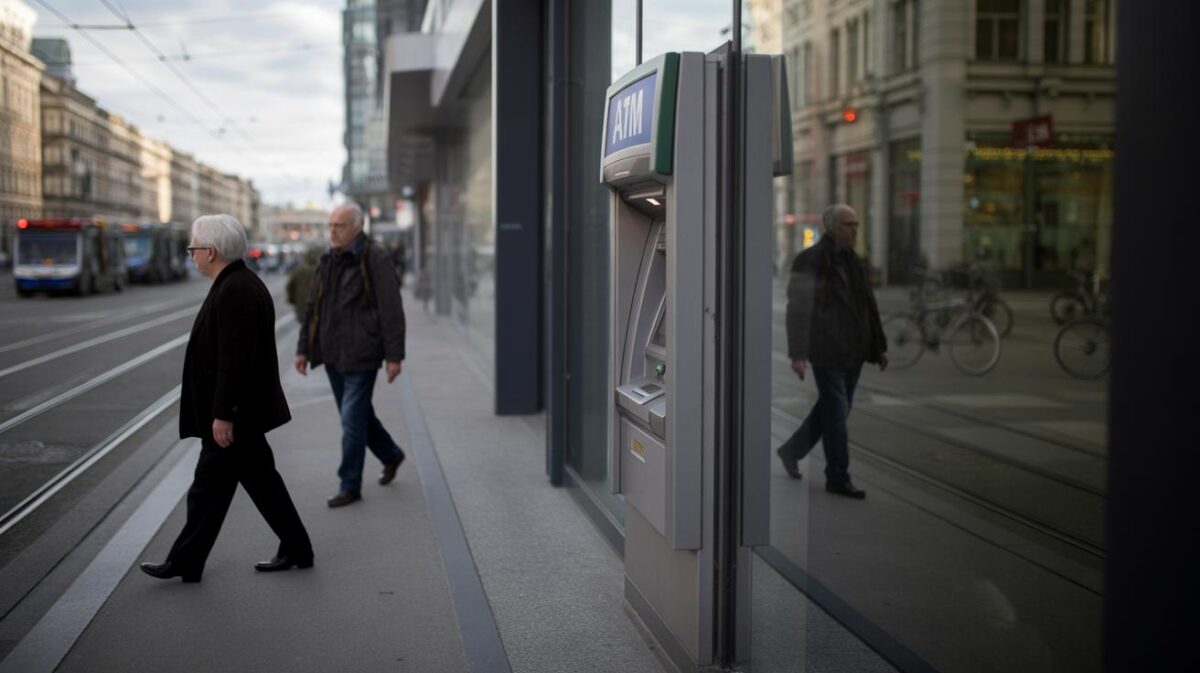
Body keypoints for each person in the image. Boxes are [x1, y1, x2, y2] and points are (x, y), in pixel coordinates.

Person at [140, 215, 313, 583]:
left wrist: (224, 415)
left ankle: (187, 560)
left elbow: (234, 361)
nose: (191, 255)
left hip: (236, 416)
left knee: (217, 488)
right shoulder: (237, 283)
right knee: (231, 487)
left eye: (193, 248)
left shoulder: (236, 290)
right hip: (239, 414)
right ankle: (292, 548)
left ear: (211, 251)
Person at [295, 203, 407, 508]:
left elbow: (391, 309)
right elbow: (312, 307)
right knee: (358, 417)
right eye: (330, 225)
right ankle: (391, 454)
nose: (332, 230)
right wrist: (303, 347)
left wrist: (394, 356)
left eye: (339, 226)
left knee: (351, 420)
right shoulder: (327, 260)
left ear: (357, 228)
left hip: (363, 353)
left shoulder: (375, 257)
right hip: (332, 353)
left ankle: (349, 484)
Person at [775, 204, 888, 499]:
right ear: (832, 227)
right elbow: (797, 311)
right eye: (849, 224)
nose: (855, 230)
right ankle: (837, 477)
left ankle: (791, 450)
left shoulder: (855, 261)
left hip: (854, 350)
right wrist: (797, 354)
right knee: (836, 413)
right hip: (826, 350)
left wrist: (880, 346)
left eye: (856, 224)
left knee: (833, 410)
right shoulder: (809, 260)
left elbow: (868, 306)